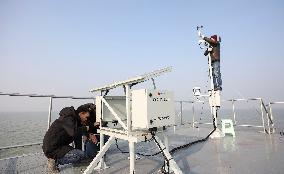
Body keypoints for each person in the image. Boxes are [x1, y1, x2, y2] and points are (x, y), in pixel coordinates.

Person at [42, 104, 99, 173]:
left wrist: (89, 133)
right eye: (86, 117)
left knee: (81, 154)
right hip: (52, 148)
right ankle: (54, 161)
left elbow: (79, 130)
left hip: (59, 145)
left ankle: (78, 155)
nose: (86, 119)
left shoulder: (74, 119)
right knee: (79, 155)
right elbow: (74, 132)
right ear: (81, 113)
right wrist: (91, 126)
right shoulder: (68, 118)